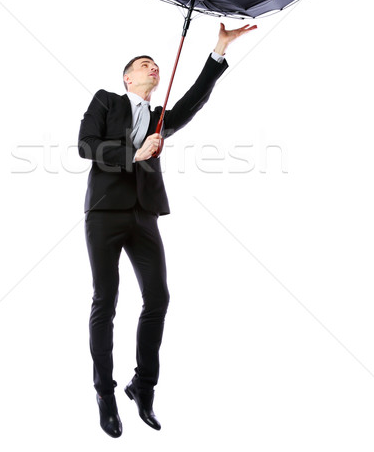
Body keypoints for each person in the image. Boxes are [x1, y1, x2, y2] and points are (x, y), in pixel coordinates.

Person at [78, 22, 256, 438]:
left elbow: (193, 102)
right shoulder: (106, 101)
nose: (154, 68)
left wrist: (219, 51)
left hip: (143, 213)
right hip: (104, 212)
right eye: (145, 65)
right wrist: (132, 152)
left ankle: (142, 387)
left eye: (157, 65)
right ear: (128, 78)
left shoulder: (160, 118)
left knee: (157, 297)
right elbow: (86, 145)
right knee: (106, 298)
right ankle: (104, 392)